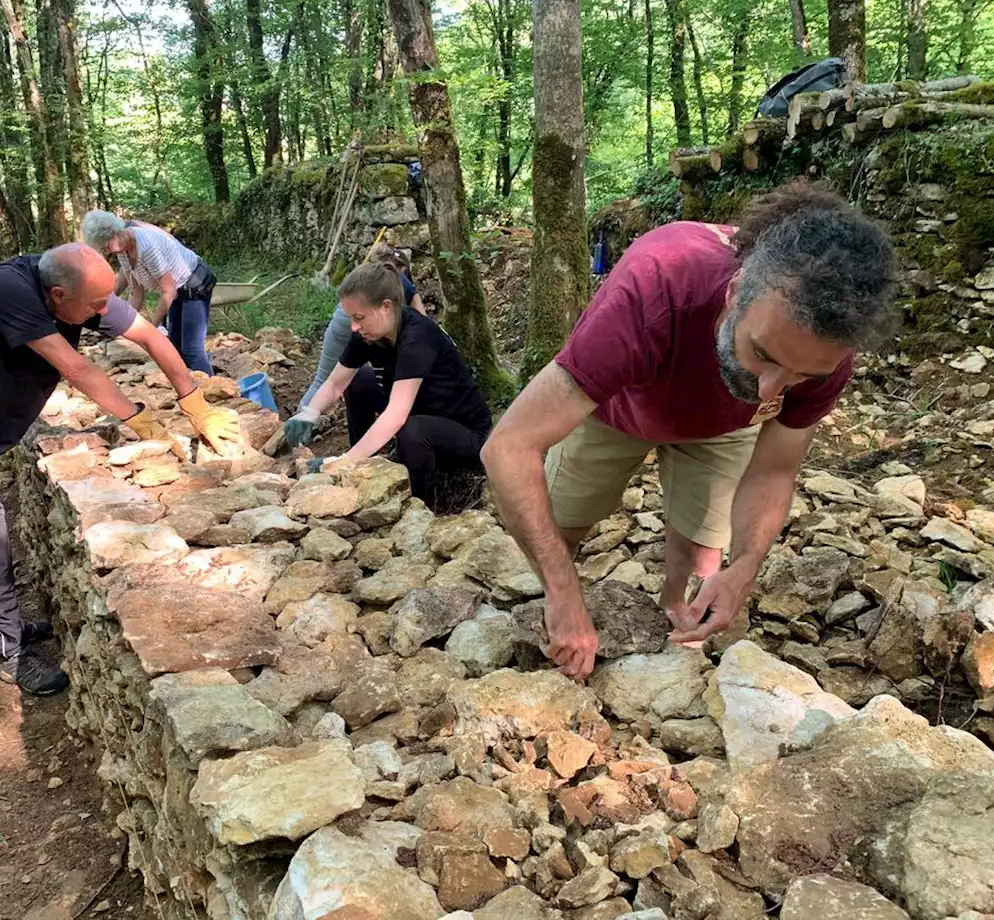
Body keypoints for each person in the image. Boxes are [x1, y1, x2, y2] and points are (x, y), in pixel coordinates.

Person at [481, 182, 897, 681]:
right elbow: (508, 448)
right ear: (735, 291)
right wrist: (564, 593)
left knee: (704, 553)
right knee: (561, 524)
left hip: (722, 426)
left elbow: (775, 470)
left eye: (800, 376)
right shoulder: (654, 287)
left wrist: (744, 568)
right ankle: (555, 610)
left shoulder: (826, 347)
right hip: (618, 407)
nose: (771, 389)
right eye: (763, 353)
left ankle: (674, 623)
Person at [0, 244, 242, 696]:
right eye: (95, 305)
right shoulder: (6, 290)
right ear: (57, 295)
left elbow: (151, 336)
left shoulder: (75, 293)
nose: (103, 312)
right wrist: (136, 416)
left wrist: (193, 399)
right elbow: (75, 366)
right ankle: (8, 652)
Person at [285, 262, 491, 504]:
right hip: (417, 413)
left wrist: (343, 461)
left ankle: (416, 504)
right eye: (351, 318)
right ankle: (363, 460)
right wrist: (310, 411)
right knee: (359, 380)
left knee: (410, 430)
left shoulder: (418, 337)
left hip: (463, 432)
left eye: (359, 317)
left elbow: (396, 415)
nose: (354, 326)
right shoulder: (368, 334)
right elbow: (335, 384)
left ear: (385, 307)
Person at [80, 211, 216, 373]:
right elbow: (137, 294)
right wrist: (123, 325)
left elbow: (168, 291)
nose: (108, 252)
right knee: (174, 345)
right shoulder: (123, 252)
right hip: (176, 290)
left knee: (192, 351)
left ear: (115, 233)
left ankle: (213, 389)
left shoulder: (147, 247)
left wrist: (152, 327)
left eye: (106, 246)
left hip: (194, 284)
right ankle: (192, 386)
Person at [299, 242, 427, 408]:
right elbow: (422, 320)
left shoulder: (367, 277)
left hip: (342, 318)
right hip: (368, 321)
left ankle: (301, 416)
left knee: (324, 379)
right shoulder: (402, 282)